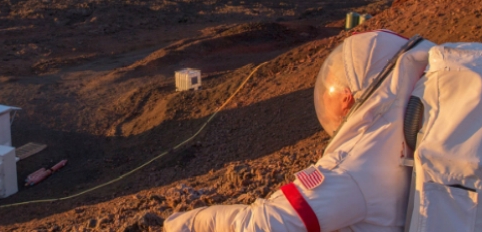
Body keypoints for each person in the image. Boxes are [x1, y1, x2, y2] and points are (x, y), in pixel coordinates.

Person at [164, 30, 433, 232]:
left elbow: (260, 224)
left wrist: (184, 224)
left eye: (337, 86)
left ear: (348, 98)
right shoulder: (412, 143)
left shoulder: (351, 171)